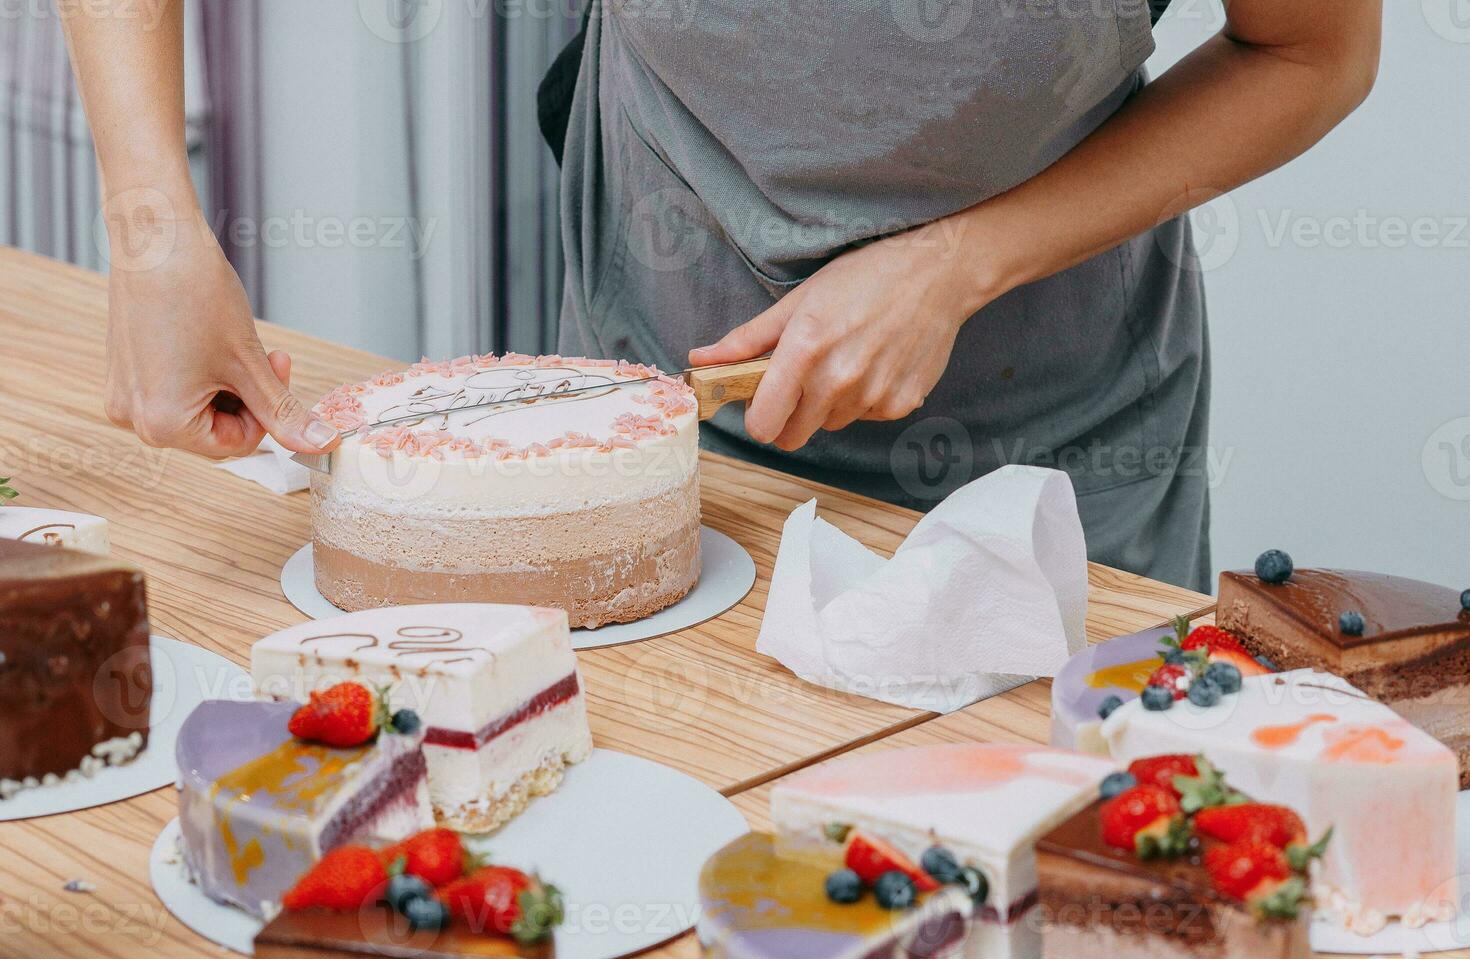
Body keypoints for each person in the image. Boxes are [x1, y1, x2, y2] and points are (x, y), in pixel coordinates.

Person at [60, 1, 1381, 591]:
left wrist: (957, 262)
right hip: (651, 414)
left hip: (1060, 460)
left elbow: (1309, 52)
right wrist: (151, 221)